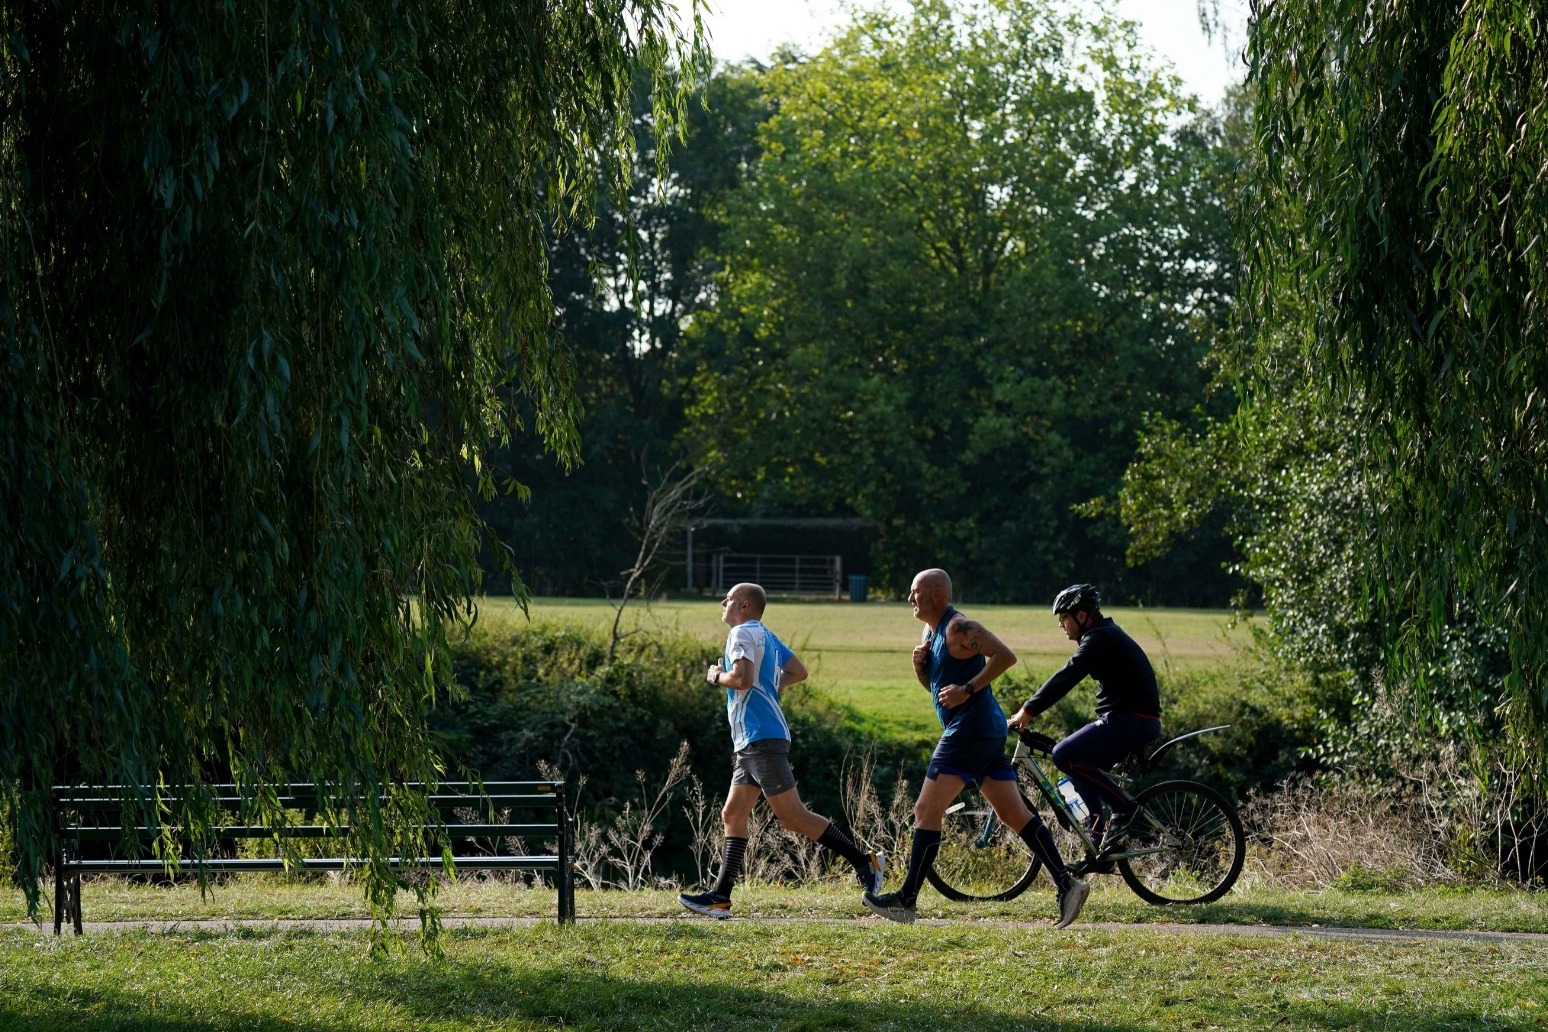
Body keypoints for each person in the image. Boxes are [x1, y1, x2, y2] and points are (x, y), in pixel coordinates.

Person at [863, 568, 1089, 929]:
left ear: (937, 594)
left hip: (968, 732)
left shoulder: (958, 628)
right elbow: (941, 694)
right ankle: (1067, 883)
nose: (910, 599)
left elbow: (1005, 656)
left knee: (925, 809)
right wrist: (921, 670)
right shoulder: (932, 633)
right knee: (1013, 814)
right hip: (983, 732)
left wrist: (967, 689)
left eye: (915, 592)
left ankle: (905, 900)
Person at [679, 582, 885, 919]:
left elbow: (742, 680)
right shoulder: (766, 635)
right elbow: (798, 672)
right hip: (753, 742)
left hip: (761, 739)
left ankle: (865, 862)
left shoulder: (741, 634)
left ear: (744, 606)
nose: (722, 602)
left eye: (728, 598)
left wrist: (717, 676)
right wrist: (767, 684)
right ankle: (719, 898)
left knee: (792, 816)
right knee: (733, 814)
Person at [1007, 583, 1161, 848]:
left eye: (1064, 617)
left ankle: (1124, 809)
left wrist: (1027, 710)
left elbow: (1067, 676)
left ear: (1081, 615)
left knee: (1063, 754)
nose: (1061, 624)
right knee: (1078, 763)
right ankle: (1099, 839)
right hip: (1130, 719)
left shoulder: (1099, 638)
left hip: (1132, 720)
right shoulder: (1103, 635)